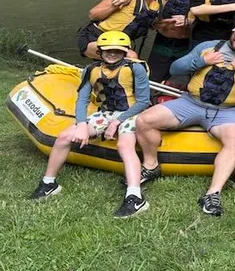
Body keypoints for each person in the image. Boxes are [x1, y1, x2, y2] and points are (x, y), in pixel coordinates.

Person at [134, 16, 235, 216]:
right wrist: (202, 61)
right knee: (144, 120)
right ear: (233, 31)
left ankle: (212, 194)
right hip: (190, 103)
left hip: (226, 112)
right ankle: (151, 165)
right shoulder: (209, 46)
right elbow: (175, 68)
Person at [29, 31, 152, 218]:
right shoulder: (92, 70)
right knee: (64, 137)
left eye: (117, 51)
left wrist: (117, 122)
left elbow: (143, 101)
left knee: (124, 145)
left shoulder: (136, 69)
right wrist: (80, 125)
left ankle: (135, 197)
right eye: (108, 51)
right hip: (106, 112)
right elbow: (82, 101)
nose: (112, 54)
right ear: (100, 52)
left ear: (125, 51)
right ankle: (49, 183)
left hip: (132, 112)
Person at [110, 0, 231, 82]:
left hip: (188, 43)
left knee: (181, 82)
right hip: (163, 39)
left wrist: (190, 21)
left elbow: (213, 21)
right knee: (152, 79)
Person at [76, 0, 163, 59]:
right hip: (94, 37)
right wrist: (116, 5)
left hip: (120, 42)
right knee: (131, 57)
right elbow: (93, 14)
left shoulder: (158, 3)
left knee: (128, 60)